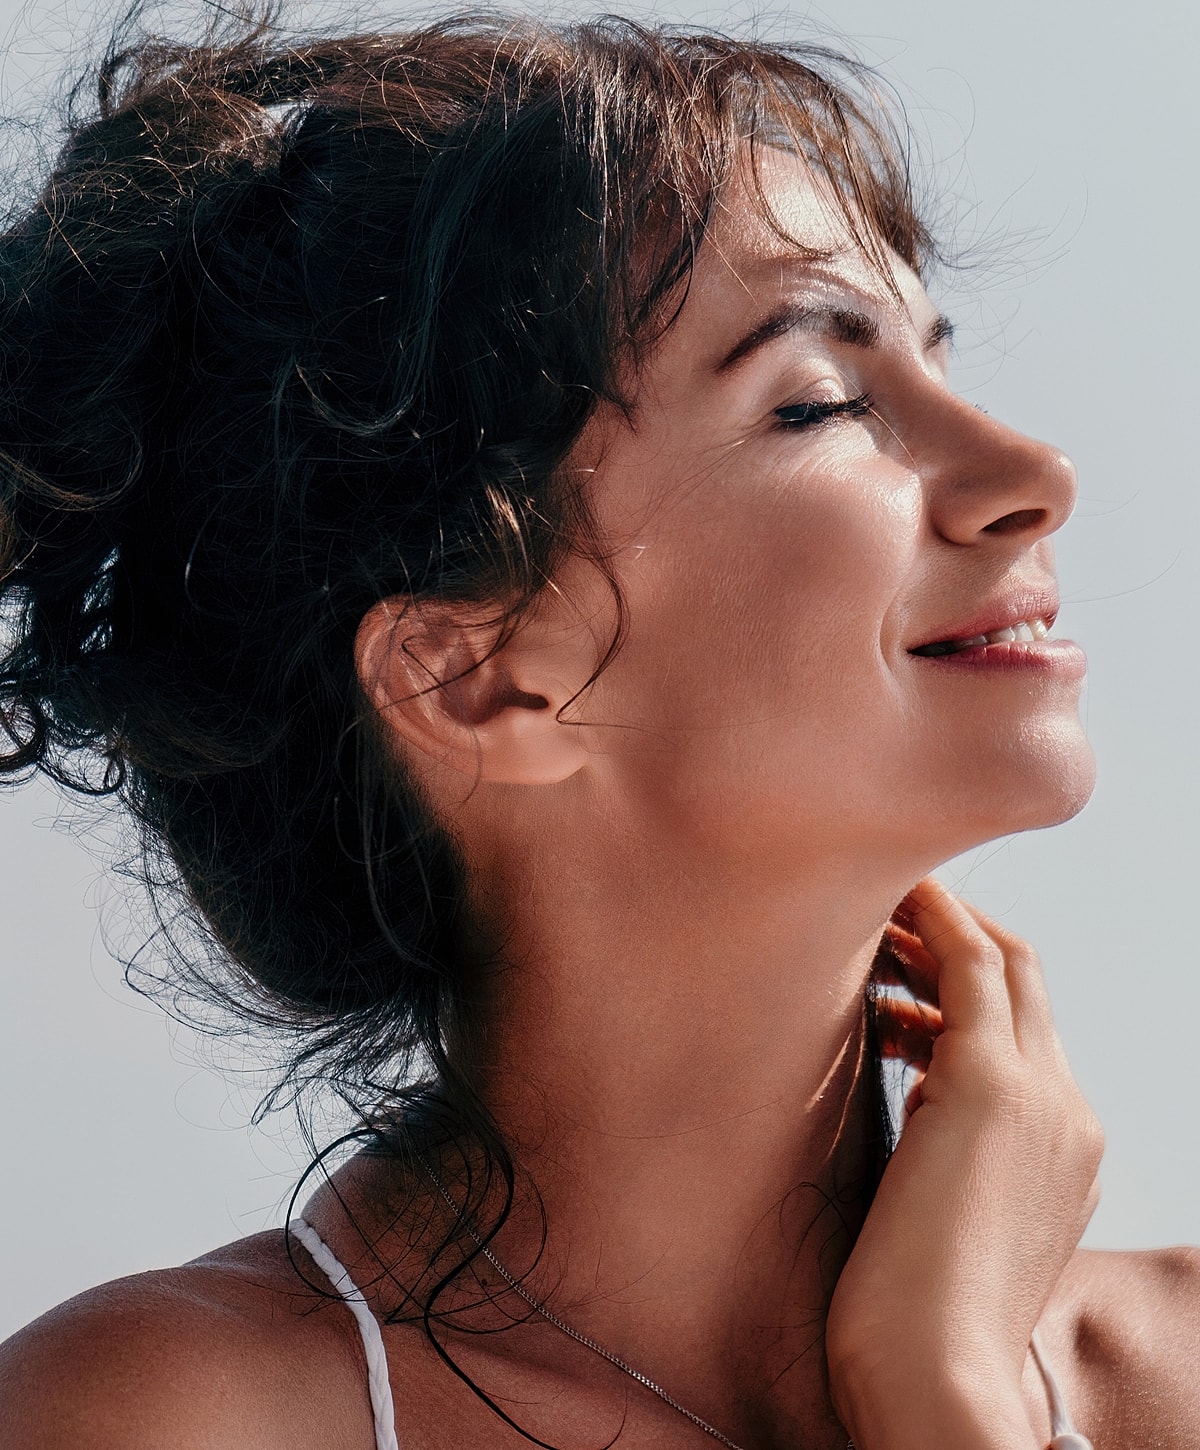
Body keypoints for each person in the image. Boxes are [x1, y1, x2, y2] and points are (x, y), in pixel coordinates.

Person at [0, 9, 1195, 1448]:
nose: (1035, 471)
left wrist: (945, 1385)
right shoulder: (166, 1418)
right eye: (817, 403)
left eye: (942, 361)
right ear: (477, 679)